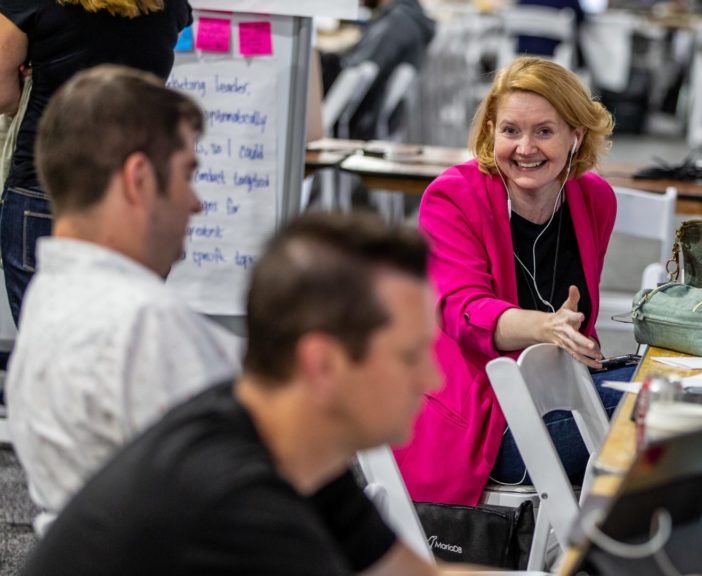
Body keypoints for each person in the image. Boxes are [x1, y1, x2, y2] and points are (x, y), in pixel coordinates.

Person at [20, 212, 442, 576]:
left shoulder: (295, 447)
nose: (433, 379)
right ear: (322, 364)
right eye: (410, 356)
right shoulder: (237, 507)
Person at [6, 65, 239, 534]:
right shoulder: (144, 322)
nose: (197, 203)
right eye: (187, 174)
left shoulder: (49, 297)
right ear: (138, 179)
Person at [395, 57, 619, 505]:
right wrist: (545, 326)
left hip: (557, 396)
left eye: (544, 131)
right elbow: (464, 310)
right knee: (660, 408)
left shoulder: (593, 198)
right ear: (491, 132)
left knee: (664, 395)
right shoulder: (452, 197)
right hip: (485, 427)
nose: (525, 148)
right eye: (511, 130)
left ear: (576, 136)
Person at [0, 0, 191, 323]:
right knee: (126, 344)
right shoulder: (169, 5)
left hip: (45, 186)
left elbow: (2, 94)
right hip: (134, 191)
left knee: (53, 347)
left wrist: (29, 81)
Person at [322, 0, 435, 140]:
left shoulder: (396, 22)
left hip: (360, 124)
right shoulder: (411, 20)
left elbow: (356, 72)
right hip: (375, 126)